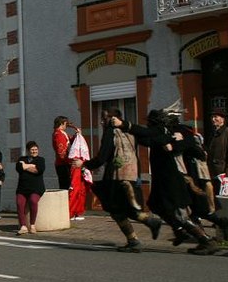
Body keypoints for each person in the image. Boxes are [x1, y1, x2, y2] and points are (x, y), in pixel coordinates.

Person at [116, 109, 219, 255]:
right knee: (155, 204)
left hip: (171, 179)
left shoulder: (161, 131)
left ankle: (206, 240)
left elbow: (146, 134)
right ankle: (179, 230)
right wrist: (129, 133)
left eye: (149, 121)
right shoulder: (163, 134)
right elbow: (145, 138)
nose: (148, 124)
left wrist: (124, 125)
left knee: (180, 214)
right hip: (161, 179)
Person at [73, 108, 162, 252]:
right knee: (130, 208)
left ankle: (137, 236)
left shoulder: (110, 132)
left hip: (116, 178)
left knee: (116, 209)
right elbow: (150, 139)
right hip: (133, 177)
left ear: (113, 119)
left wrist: (83, 164)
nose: (102, 121)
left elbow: (102, 157)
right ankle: (147, 225)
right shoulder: (131, 131)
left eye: (104, 118)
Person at [15, 141, 45, 235]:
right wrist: (30, 166)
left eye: (36, 149)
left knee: (33, 201)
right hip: (22, 188)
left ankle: (32, 225)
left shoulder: (41, 160)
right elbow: (19, 168)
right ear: (28, 150)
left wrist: (25, 166)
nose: (34, 151)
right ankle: (23, 226)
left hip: (36, 188)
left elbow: (38, 170)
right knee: (20, 203)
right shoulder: (21, 158)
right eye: (32, 149)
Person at [207, 108, 228, 197]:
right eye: (212, 117)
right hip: (212, 171)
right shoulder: (213, 133)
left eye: (215, 117)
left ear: (223, 119)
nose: (213, 119)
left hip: (223, 172)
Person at [52, 116, 72, 190]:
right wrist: (69, 162)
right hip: (63, 164)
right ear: (61, 123)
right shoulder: (58, 134)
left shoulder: (61, 133)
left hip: (63, 163)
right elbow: (61, 153)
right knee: (65, 187)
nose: (66, 125)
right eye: (66, 123)